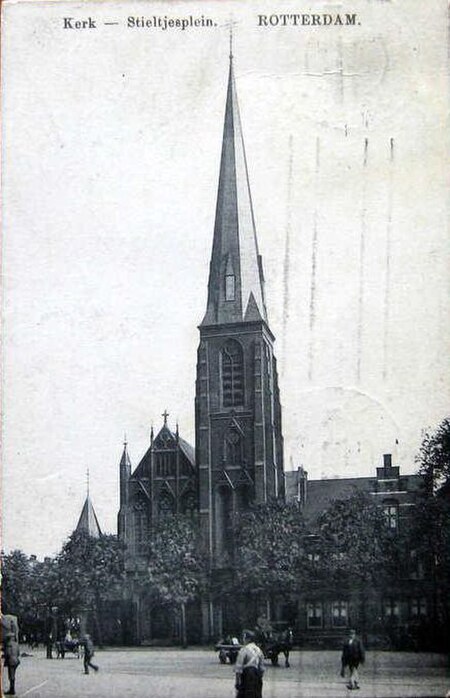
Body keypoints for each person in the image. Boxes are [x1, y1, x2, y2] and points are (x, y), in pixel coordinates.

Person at [234, 632, 265, 698]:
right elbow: (262, 669)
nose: (243, 640)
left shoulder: (244, 649)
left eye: (244, 638)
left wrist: (237, 682)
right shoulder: (259, 650)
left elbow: (238, 668)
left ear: (248, 639)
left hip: (247, 676)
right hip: (257, 676)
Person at [2, 615, 20, 696]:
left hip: (12, 660)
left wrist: (4, 655)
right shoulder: (15, 643)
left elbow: (8, 653)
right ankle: (12, 689)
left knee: (11, 675)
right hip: (15, 659)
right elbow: (18, 652)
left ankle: (12, 689)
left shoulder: (9, 644)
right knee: (12, 675)